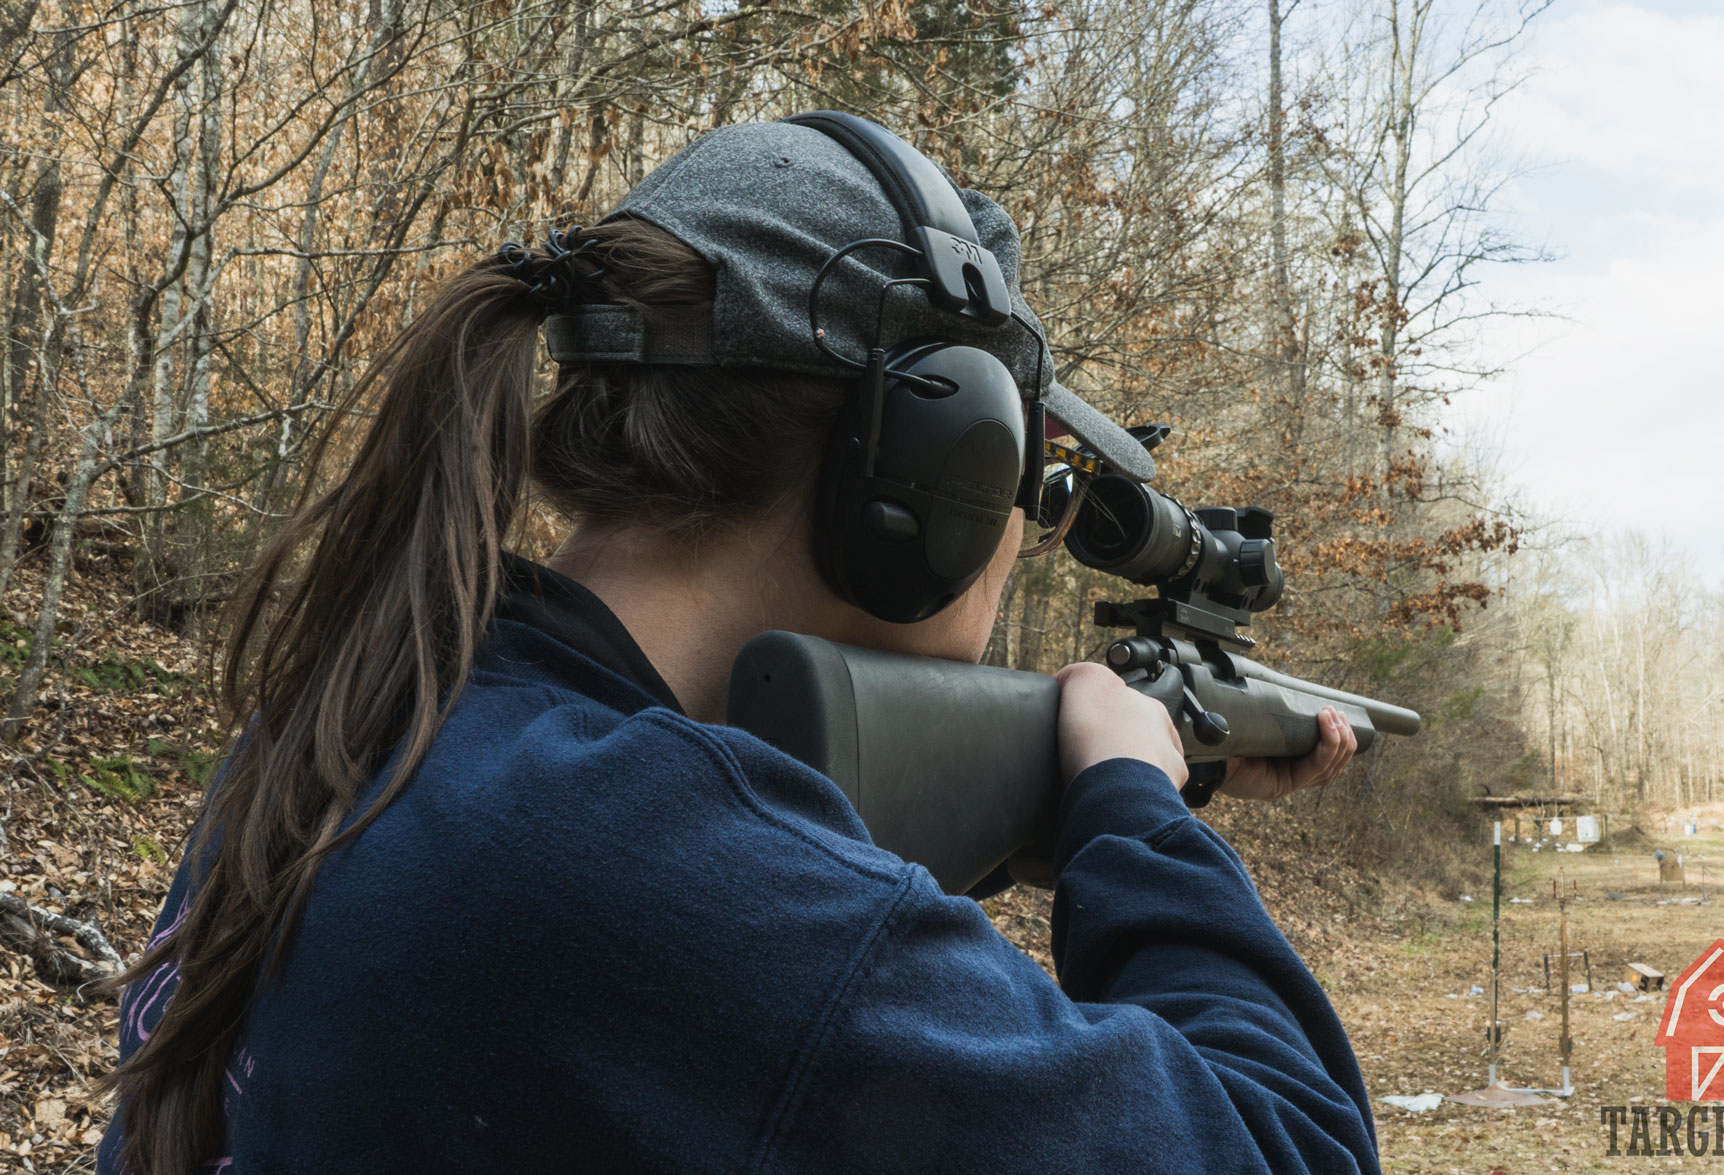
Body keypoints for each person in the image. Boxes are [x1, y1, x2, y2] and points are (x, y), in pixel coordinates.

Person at [101, 114, 1379, 1175]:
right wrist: (1134, 807)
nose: (1024, 535)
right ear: (929, 471)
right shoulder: (667, 883)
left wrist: (1068, 807)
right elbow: (1294, 1144)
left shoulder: (376, 710)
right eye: (1030, 490)